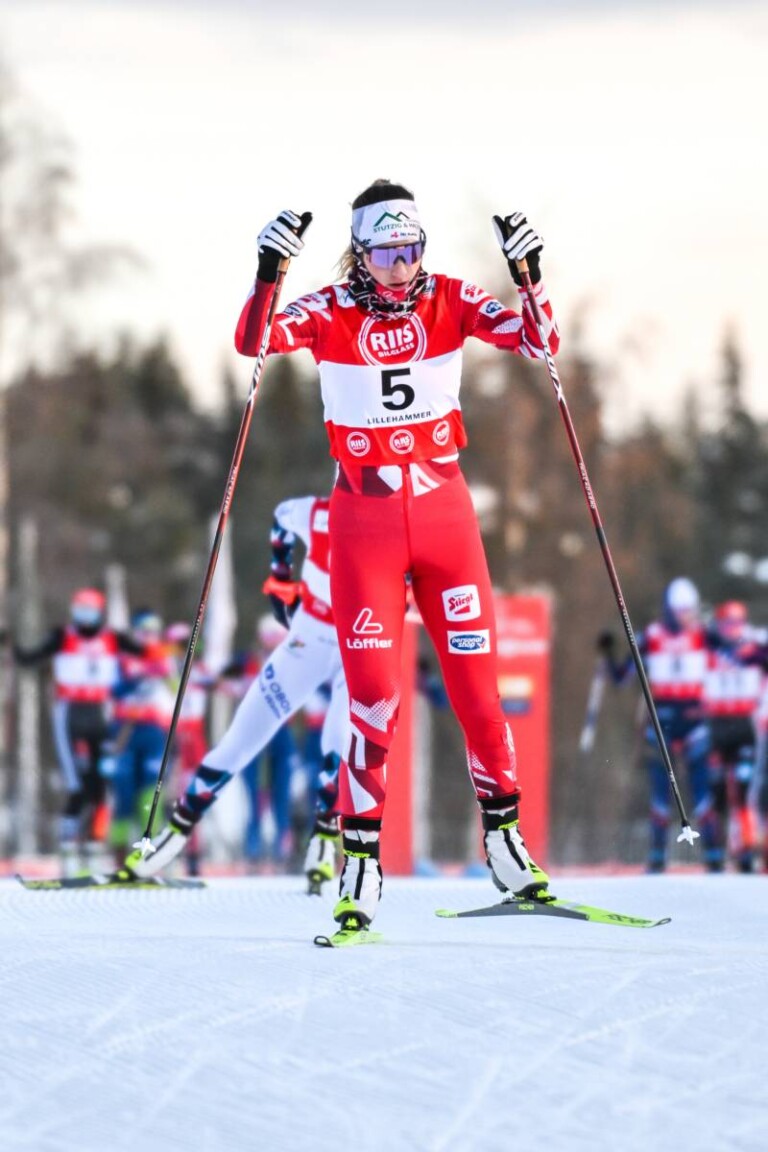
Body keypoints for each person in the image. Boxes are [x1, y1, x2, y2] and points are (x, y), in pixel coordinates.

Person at [233, 180, 559, 938]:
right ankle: (359, 864)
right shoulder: (328, 310)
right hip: (366, 525)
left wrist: (530, 274)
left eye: (410, 251)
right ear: (360, 252)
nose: (400, 270)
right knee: (374, 700)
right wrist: (268, 269)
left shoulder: (448, 297)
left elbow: (541, 344)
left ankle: (507, 846)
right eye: (384, 254)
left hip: (447, 519)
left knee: (480, 694)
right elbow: (255, 342)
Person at [123, 494, 348, 887]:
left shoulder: (397, 527)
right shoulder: (318, 513)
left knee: (339, 745)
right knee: (239, 741)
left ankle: (326, 838)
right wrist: (281, 578)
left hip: (358, 647)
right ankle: (175, 833)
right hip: (308, 639)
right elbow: (281, 516)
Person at [13, 587, 144, 875]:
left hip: (101, 713)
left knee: (102, 785)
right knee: (76, 786)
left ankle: (94, 846)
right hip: (70, 713)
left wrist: (172, 648)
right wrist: (12, 646)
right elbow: (30, 658)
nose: (84, 615)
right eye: (80, 608)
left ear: (100, 611)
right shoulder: (63, 636)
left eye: (90, 609)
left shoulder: (112, 638)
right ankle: (69, 847)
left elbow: (146, 654)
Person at [598, 577, 721, 872]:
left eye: (690, 610)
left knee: (702, 791)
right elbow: (621, 677)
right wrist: (608, 653)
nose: (687, 617)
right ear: (669, 609)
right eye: (681, 611)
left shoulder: (704, 636)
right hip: (661, 719)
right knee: (660, 793)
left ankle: (714, 856)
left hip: (694, 721)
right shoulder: (651, 637)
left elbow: (737, 658)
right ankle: (656, 856)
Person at [106, 609, 176, 861]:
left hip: (154, 731)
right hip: (126, 729)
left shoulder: (165, 657)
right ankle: (118, 855)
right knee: (124, 793)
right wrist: (138, 677)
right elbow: (113, 691)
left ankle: (147, 854)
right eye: (144, 631)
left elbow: (179, 691)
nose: (149, 637)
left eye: (154, 631)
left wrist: (166, 673)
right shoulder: (123, 658)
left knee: (151, 793)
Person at [704, 601, 764, 872]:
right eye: (727, 624)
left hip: (743, 727)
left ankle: (747, 849)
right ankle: (716, 850)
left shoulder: (753, 650)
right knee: (716, 790)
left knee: (742, 789)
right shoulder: (709, 648)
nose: (732, 630)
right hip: (716, 725)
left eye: (737, 624)